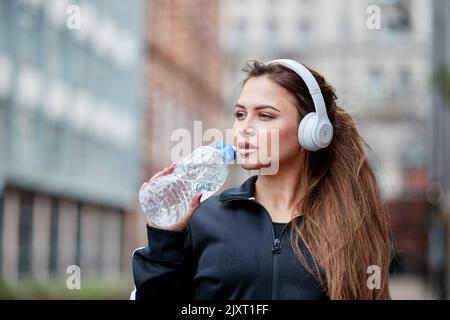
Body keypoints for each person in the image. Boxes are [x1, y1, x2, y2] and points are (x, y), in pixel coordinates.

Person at [132, 59, 392, 300]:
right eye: (240, 114)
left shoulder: (349, 222)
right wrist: (165, 241)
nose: (244, 128)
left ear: (311, 131)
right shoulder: (204, 219)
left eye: (264, 115)